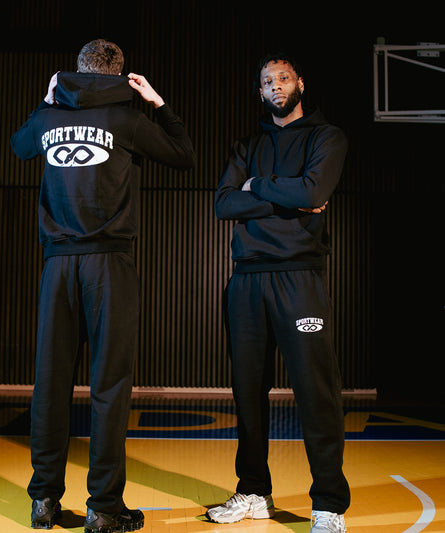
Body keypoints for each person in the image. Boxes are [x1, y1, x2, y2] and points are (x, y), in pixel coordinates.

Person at [10, 39, 195, 532]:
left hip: (57, 267)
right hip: (109, 265)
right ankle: (104, 508)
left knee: (50, 384)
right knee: (109, 386)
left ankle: (43, 500)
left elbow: (19, 145)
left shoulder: (50, 118)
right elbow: (185, 155)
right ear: (120, 75)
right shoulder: (127, 119)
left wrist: (47, 100)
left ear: (74, 72)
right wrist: (158, 103)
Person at [208, 52, 350, 533]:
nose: (275, 85)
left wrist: (257, 187)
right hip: (247, 278)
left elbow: (313, 193)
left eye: (283, 77)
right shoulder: (247, 144)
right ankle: (253, 492)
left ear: (300, 84)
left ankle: (328, 503)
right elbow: (224, 204)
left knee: (316, 392)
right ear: (260, 92)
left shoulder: (326, 137)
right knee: (248, 392)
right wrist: (285, 194)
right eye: (267, 80)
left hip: (298, 277)